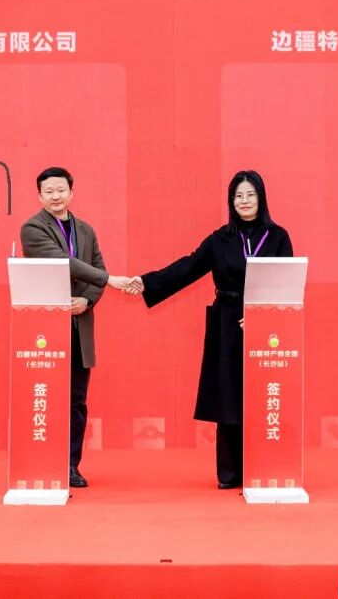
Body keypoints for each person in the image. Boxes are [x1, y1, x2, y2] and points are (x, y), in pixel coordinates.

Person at [130, 170, 293, 489]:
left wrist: (263, 316)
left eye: (250, 195)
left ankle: (264, 466)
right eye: (238, 196)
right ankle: (230, 474)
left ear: (261, 198)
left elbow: (288, 282)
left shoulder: (278, 237)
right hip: (227, 323)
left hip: (266, 326)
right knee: (228, 396)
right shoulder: (220, 239)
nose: (244, 201)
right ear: (231, 201)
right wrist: (147, 282)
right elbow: (189, 266)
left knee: (264, 396)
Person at [19, 167, 134, 488]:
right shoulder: (32, 228)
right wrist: (110, 281)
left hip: (79, 326)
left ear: (71, 193)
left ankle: (71, 464)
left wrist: (88, 300)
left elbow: (97, 268)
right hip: (45, 328)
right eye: (49, 191)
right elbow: (63, 262)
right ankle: (43, 460)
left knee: (76, 400)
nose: (55, 196)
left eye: (61, 190)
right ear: (39, 196)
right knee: (45, 396)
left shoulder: (85, 230)